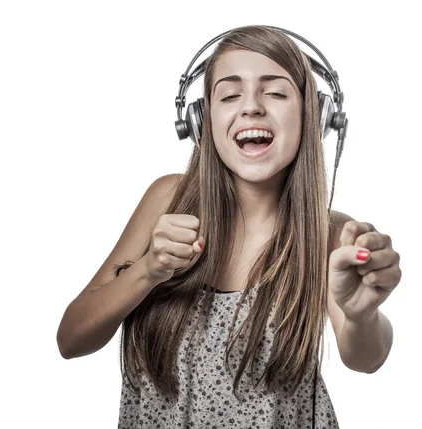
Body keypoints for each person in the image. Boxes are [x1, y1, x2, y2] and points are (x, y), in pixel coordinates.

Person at [56, 25, 402, 428]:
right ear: (202, 120)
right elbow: (71, 339)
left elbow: (367, 358)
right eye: (230, 93)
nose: (252, 107)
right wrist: (148, 269)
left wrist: (361, 315)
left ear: (314, 115)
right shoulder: (168, 199)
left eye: (274, 92)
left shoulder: (326, 233)